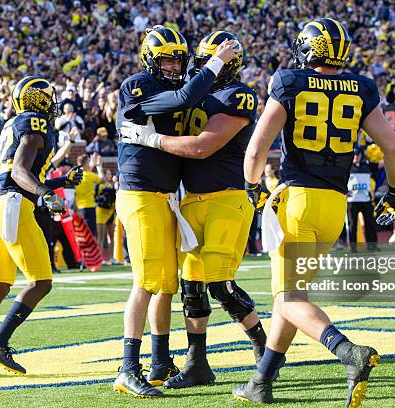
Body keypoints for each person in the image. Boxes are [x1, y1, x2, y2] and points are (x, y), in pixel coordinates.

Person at [232, 18, 395, 407]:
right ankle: (262, 381)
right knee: (292, 298)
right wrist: (393, 193)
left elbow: (257, 148)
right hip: (333, 205)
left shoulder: (290, 81)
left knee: (290, 296)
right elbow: (393, 150)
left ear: (309, 49)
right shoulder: (361, 87)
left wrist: (253, 186)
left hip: (297, 200)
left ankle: (348, 352)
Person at [121, 30, 270, 389]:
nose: (182, 67)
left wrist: (152, 139)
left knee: (218, 284)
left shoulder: (237, 95)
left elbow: (203, 147)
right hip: (182, 199)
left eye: (183, 60)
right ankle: (195, 364)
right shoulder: (158, 88)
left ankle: (266, 352)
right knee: (188, 287)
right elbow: (181, 99)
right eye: (200, 63)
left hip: (223, 196)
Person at [0, 75, 82, 377]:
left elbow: (21, 172)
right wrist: (46, 193)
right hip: (15, 207)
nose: (52, 104)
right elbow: (20, 170)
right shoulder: (36, 123)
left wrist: (58, 181)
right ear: (38, 100)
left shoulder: (13, 124)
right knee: (41, 282)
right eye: (49, 98)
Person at [347, 149, 378, 251]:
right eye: (354, 154)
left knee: (370, 223)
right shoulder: (346, 167)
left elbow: (381, 164)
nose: (356, 156)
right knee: (353, 224)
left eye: (357, 154)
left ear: (360, 155)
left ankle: (372, 246)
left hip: (366, 200)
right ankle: (353, 247)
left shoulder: (367, 165)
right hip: (352, 201)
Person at [74, 153, 103, 236]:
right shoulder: (90, 175)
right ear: (86, 164)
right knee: (91, 235)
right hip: (89, 208)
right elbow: (102, 179)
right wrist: (99, 166)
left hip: (78, 209)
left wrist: (91, 164)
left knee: (82, 234)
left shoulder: (75, 175)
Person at [95, 168, 116, 264]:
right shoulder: (98, 185)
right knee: (100, 237)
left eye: (110, 174)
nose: (109, 175)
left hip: (110, 211)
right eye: (107, 174)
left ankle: (111, 258)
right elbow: (96, 198)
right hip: (101, 212)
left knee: (111, 236)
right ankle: (99, 258)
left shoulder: (111, 185)